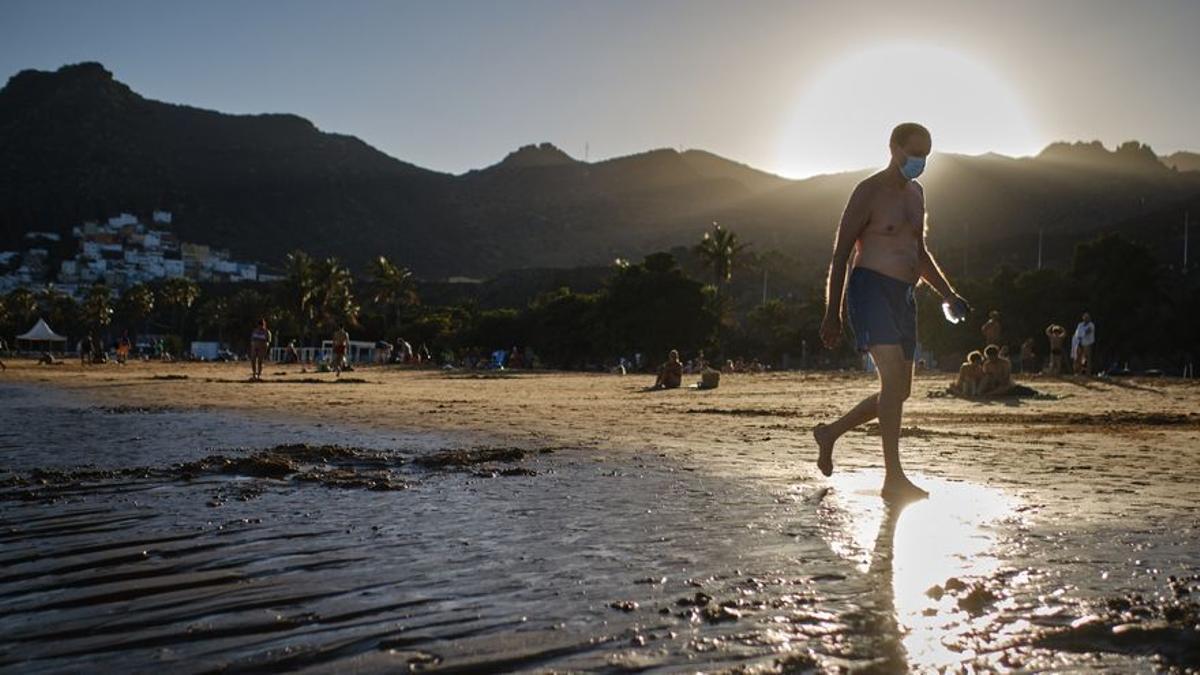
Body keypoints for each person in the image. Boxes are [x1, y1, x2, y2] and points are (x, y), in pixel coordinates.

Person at [813, 122, 968, 502]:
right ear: (894, 148)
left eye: (925, 156)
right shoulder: (868, 192)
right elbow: (840, 254)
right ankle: (893, 478)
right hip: (870, 289)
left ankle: (830, 433)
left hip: (904, 296)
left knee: (899, 391)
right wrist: (832, 313)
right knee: (894, 383)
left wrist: (948, 293)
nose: (920, 162)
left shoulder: (917, 194)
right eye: (914, 154)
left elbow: (920, 252)